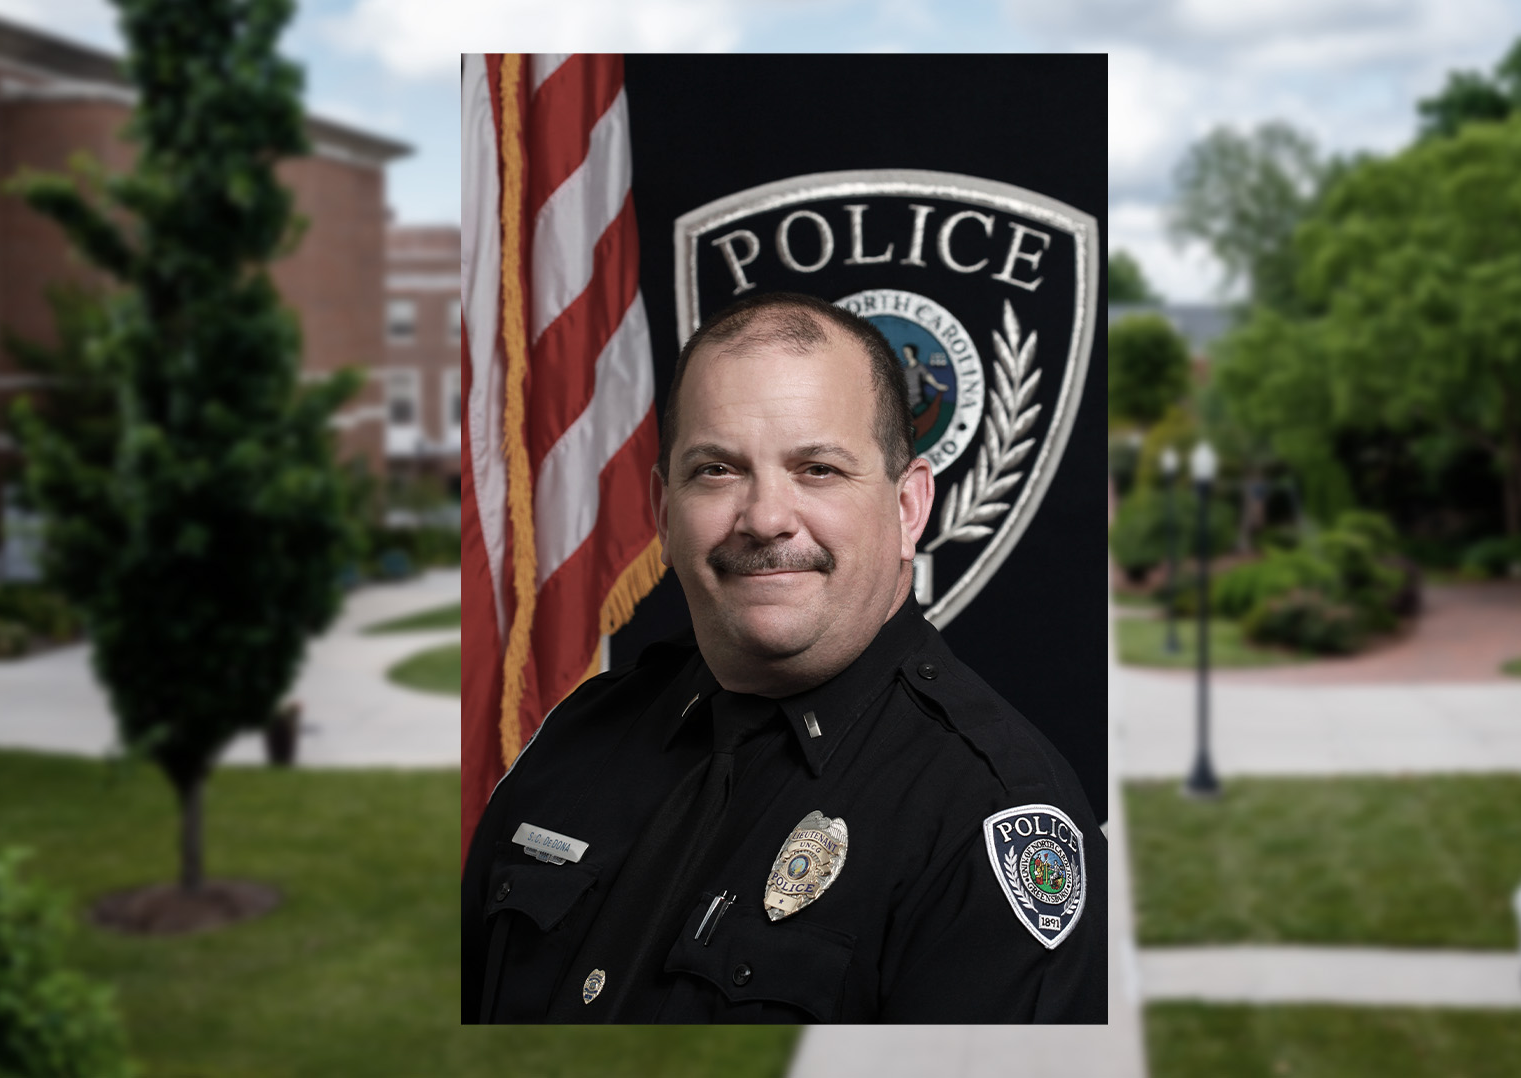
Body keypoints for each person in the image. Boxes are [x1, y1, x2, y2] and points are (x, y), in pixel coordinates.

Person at [462, 291, 1106, 1023]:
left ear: (907, 508)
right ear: (663, 512)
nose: (765, 517)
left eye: (818, 469)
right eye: (715, 470)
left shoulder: (985, 811)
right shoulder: (581, 735)